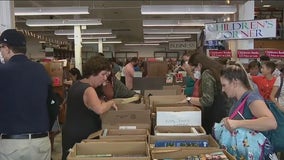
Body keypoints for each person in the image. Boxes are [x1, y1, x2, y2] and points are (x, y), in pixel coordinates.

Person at [0, 29, 52, 160]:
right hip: (40, 141)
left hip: (12, 143)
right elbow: (52, 103)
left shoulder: (2, 72)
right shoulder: (41, 70)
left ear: (6, 48)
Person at [61, 56, 118, 160]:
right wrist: (111, 103)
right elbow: (99, 109)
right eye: (103, 74)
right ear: (93, 72)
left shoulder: (76, 85)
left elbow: (82, 105)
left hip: (69, 133)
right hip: (83, 137)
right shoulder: (89, 90)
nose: (105, 78)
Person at [179, 52, 228, 134]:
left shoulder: (206, 74)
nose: (194, 72)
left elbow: (207, 100)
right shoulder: (215, 70)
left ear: (199, 65)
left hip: (213, 115)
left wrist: (189, 99)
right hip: (222, 111)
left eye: (193, 70)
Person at [220, 64, 277, 132]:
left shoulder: (252, 98)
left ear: (235, 83)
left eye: (224, 85)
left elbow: (271, 123)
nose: (222, 90)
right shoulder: (238, 99)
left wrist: (238, 123)